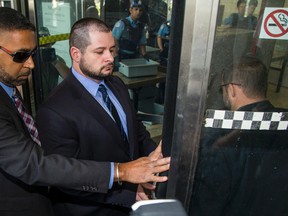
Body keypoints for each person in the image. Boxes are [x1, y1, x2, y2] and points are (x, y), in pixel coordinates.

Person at [0, 7, 170, 216]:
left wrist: (155, 160)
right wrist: (123, 174)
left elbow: (136, 132)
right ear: (75, 54)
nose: (32, 64)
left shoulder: (116, 85)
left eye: (112, 50)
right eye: (21, 55)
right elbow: (42, 167)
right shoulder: (54, 109)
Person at [190, 56, 288, 216]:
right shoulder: (283, 121)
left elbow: (205, 206)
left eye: (222, 89)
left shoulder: (218, 137)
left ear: (232, 89)